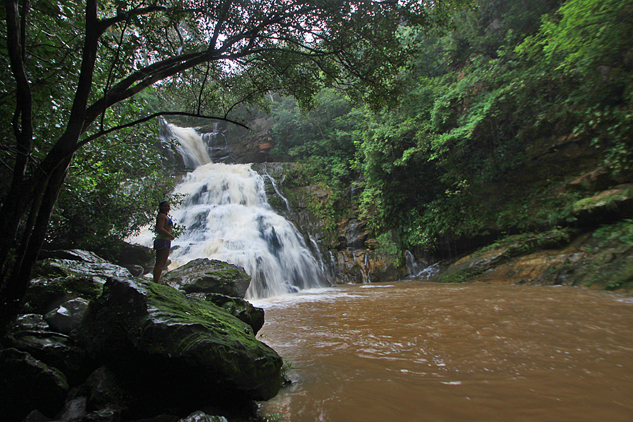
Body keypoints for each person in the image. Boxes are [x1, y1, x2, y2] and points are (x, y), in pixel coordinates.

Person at [153, 200, 175, 284]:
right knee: (161, 263)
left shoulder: (163, 216)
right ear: (161, 207)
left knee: (161, 262)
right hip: (163, 240)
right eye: (165, 206)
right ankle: (156, 281)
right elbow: (159, 228)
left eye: (168, 206)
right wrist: (170, 235)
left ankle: (156, 280)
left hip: (163, 240)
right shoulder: (162, 216)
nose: (167, 207)